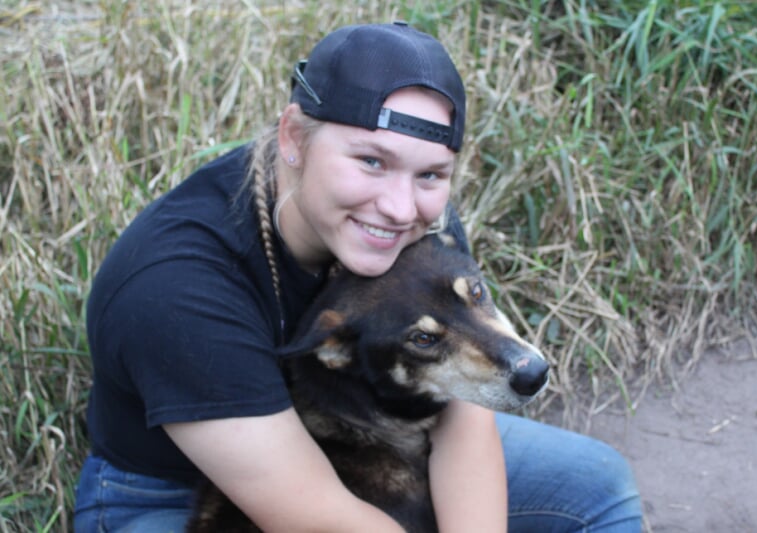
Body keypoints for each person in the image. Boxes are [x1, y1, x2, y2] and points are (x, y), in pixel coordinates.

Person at [74, 22, 642, 532]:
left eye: (431, 173)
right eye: (371, 160)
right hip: (176, 491)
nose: (399, 207)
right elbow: (305, 509)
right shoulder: (178, 285)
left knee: (597, 484)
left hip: (374, 429)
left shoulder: (418, 223)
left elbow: (462, 424)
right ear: (294, 138)